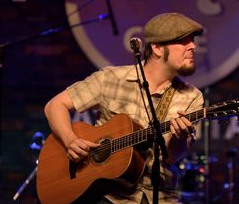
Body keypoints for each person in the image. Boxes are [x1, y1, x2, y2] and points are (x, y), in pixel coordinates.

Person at [44, 12, 204, 204]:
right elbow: (55, 106)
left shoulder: (191, 97)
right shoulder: (110, 78)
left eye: (192, 40)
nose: (193, 46)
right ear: (157, 48)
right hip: (107, 195)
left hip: (159, 196)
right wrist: (70, 141)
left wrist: (180, 137)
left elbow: (172, 159)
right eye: (183, 41)